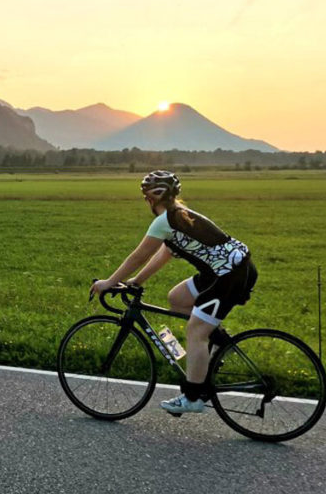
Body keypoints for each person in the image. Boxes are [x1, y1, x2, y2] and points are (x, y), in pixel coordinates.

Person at [89, 170, 258, 415]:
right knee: (177, 299)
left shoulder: (165, 220)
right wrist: (136, 281)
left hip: (229, 275)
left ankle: (192, 397)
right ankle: (218, 346)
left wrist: (109, 282)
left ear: (149, 199)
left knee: (196, 331)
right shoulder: (179, 216)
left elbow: (140, 255)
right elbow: (164, 253)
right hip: (226, 270)